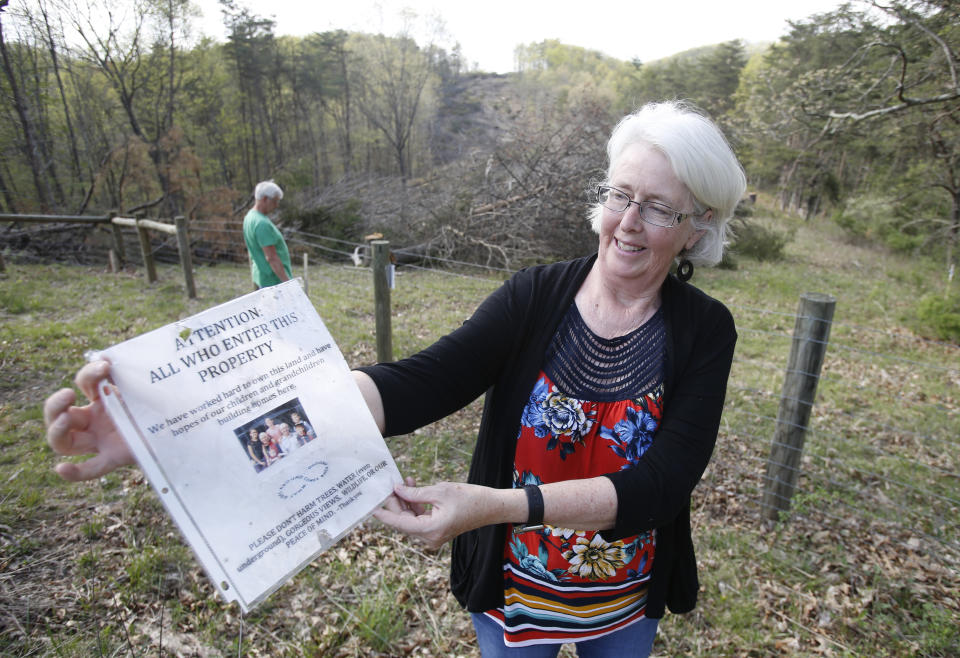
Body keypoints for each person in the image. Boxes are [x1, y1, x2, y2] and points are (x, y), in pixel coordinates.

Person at [45, 100, 745, 657]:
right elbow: (411, 386)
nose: (627, 222)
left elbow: (661, 486)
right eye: (621, 194)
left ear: (697, 225)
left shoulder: (705, 332)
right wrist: (173, 429)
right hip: (511, 595)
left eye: (657, 207)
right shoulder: (535, 297)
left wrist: (492, 504)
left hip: (621, 604)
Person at [243, 180, 292, 289]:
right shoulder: (261, 224)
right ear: (265, 199)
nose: (276, 205)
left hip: (263, 276)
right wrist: (287, 284)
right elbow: (271, 257)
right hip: (274, 282)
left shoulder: (250, 217)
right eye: (274, 201)